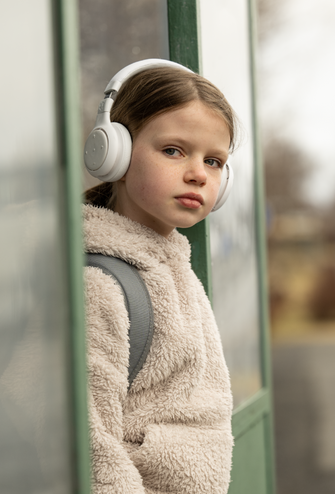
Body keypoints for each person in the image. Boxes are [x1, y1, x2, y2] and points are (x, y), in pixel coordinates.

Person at [83, 59, 237, 494]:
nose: (198, 173)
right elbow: (86, 442)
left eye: (214, 161)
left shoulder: (173, 269)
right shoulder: (100, 284)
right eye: (173, 150)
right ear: (115, 152)